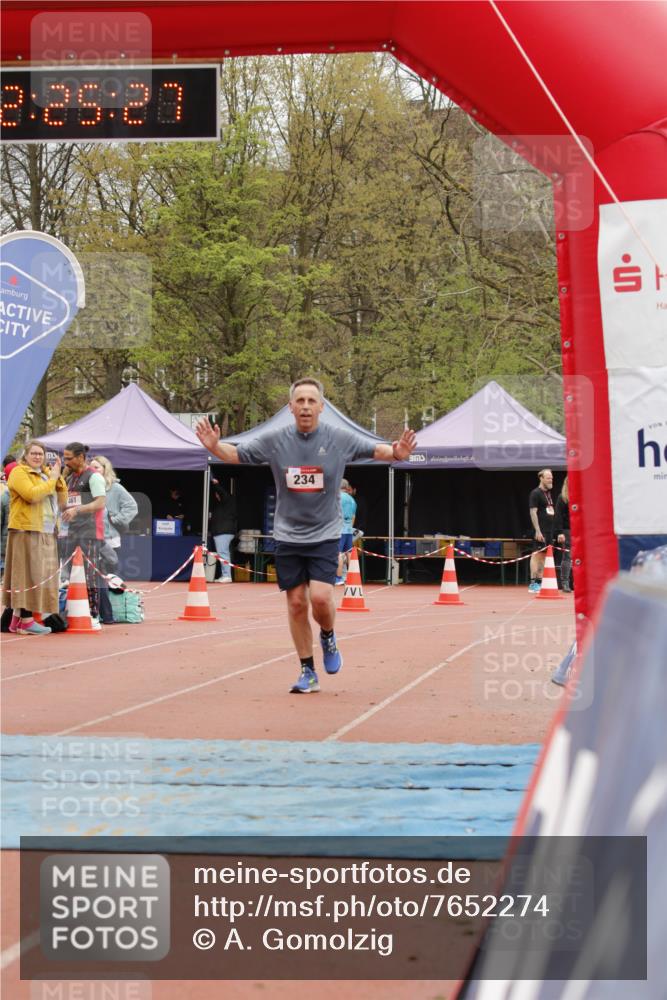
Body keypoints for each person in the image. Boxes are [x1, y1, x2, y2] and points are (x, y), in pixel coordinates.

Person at [195, 378, 416, 693]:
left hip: (325, 533)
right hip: (288, 535)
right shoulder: (275, 440)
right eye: (300, 401)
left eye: (312, 401)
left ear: (321, 407)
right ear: (291, 407)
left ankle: (328, 635)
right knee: (297, 603)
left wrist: (398, 452)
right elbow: (237, 454)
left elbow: (377, 450)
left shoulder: (338, 438)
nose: (306, 407)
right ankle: (307, 670)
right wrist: (214, 447)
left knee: (321, 599)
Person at [2, 441, 68, 634]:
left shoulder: (45, 474)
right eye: (34, 453)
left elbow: (62, 500)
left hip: (46, 531)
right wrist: (51, 480)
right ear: (25, 455)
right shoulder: (19, 472)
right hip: (26, 530)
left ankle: (16, 620)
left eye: (41, 454)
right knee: (26, 575)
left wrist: (58, 477)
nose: (38, 457)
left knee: (38, 576)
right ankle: (26, 620)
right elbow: (32, 495)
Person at [62, 442, 106, 628]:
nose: (66, 462)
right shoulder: (70, 477)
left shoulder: (94, 477)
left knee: (89, 574)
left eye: (69, 458)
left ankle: (94, 614)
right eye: (64, 458)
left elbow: (100, 503)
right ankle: (75, 611)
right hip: (73, 530)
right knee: (72, 573)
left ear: (81, 457)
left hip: (90, 532)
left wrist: (77, 510)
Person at [89, 456, 138, 622]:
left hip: (110, 540)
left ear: (105, 469)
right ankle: (102, 614)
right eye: (91, 467)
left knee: (107, 577)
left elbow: (132, 506)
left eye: (97, 467)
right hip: (90, 538)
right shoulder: (88, 487)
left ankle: (108, 614)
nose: (93, 470)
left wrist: (115, 520)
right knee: (95, 578)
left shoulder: (115, 488)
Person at [528, 468, 556, 593]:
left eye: (551, 478)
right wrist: (537, 531)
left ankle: (539, 583)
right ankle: (533, 583)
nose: (551, 480)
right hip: (541, 531)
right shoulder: (535, 493)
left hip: (549, 531)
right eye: (548, 478)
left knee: (544, 557)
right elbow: (533, 512)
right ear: (541, 478)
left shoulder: (548, 494)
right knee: (536, 555)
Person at [209, 478, 237, 583]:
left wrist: (216, 485)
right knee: (222, 553)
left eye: (217, 494)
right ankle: (224, 575)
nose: (216, 496)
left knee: (223, 553)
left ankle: (227, 575)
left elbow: (222, 493)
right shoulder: (222, 504)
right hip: (222, 531)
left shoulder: (227, 500)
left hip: (223, 531)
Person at [336, 479, 356, 585]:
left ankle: (338, 578)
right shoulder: (352, 500)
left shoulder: (338, 497)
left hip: (339, 529)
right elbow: (353, 516)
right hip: (348, 530)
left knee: (338, 553)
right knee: (349, 553)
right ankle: (352, 577)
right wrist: (350, 528)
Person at [554, 475, 572, 592]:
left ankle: (578, 582)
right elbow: (558, 516)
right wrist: (560, 532)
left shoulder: (580, 496)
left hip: (579, 530)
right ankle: (565, 582)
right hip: (567, 530)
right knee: (567, 556)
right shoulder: (562, 497)